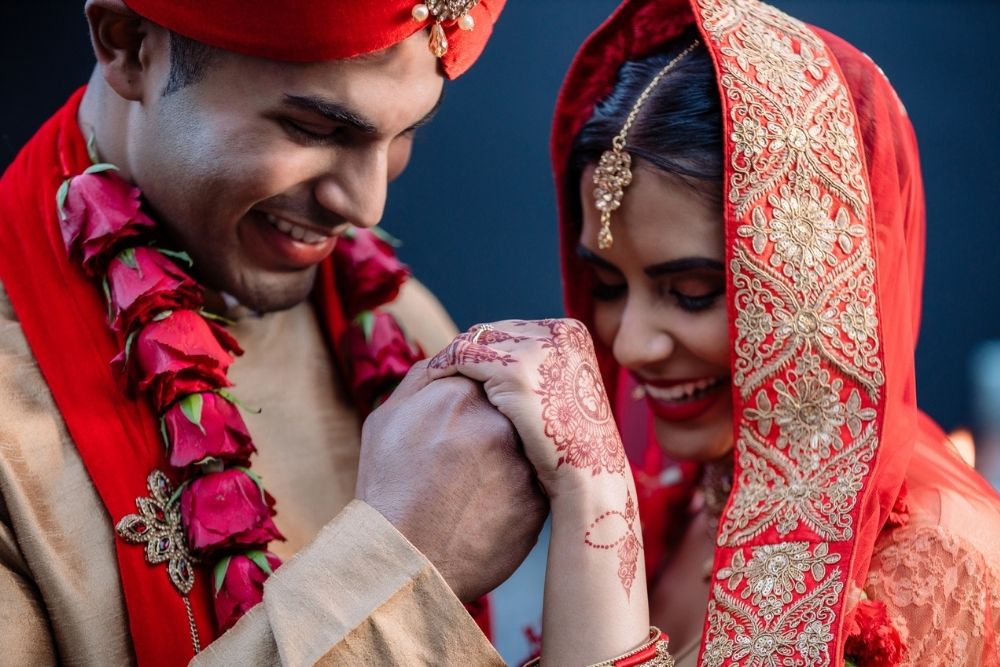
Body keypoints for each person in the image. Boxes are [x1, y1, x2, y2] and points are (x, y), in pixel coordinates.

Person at [429, 0, 1000, 664]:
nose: (629, 345)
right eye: (607, 287)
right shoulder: (691, 488)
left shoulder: (936, 558)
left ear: (820, 281)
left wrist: (595, 509)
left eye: (692, 292)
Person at [0, 0, 549, 664]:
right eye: (314, 128)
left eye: (405, 134)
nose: (366, 206)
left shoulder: (399, 323)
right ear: (128, 43)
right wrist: (397, 575)